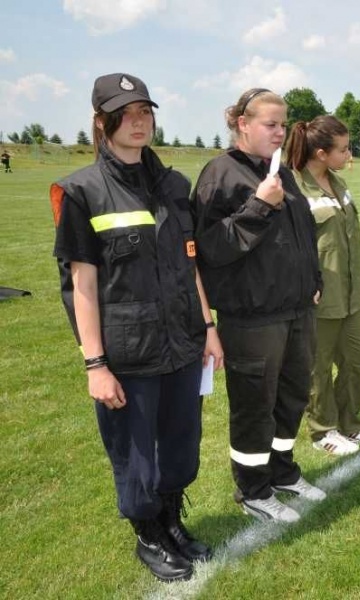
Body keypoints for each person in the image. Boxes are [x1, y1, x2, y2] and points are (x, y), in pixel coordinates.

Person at [50, 73, 221, 582]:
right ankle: (148, 534)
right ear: (101, 122)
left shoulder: (174, 185)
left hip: (183, 342)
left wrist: (208, 326)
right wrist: (95, 364)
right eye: (124, 114)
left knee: (181, 445)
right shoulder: (83, 191)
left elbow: (190, 263)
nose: (138, 121)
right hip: (129, 350)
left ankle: (171, 521)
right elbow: (81, 286)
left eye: (145, 111)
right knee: (136, 454)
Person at [192, 88, 326, 524]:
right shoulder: (220, 174)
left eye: (283, 124)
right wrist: (258, 206)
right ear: (242, 124)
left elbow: (303, 234)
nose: (280, 132)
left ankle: (282, 472)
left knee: (292, 396)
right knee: (255, 405)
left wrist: (314, 281)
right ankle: (252, 489)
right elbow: (210, 250)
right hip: (252, 317)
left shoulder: (281, 171)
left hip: (296, 310)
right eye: (271, 124)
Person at [285, 116, 360, 456]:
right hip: (320, 295)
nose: (348, 154)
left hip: (352, 293)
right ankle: (323, 429)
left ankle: (349, 421)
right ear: (321, 153)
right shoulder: (294, 187)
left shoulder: (338, 183)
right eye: (343, 149)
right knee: (318, 367)